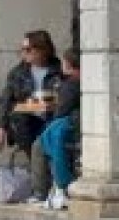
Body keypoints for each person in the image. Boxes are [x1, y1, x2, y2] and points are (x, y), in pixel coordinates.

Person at [0, 30, 61, 156]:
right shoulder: (18, 73)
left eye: (28, 49)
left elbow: (67, 97)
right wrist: (0, 128)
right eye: (22, 49)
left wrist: (53, 104)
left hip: (53, 118)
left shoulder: (59, 70)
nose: (24, 53)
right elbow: (5, 100)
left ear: (42, 49)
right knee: (18, 116)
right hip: (29, 122)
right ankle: (33, 158)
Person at [31, 48, 80, 210]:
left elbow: (61, 110)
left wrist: (52, 107)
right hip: (71, 124)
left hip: (69, 125)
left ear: (68, 64)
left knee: (40, 143)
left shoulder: (71, 83)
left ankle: (44, 192)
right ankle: (52, 190)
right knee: (44, 138)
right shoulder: (72, 81)